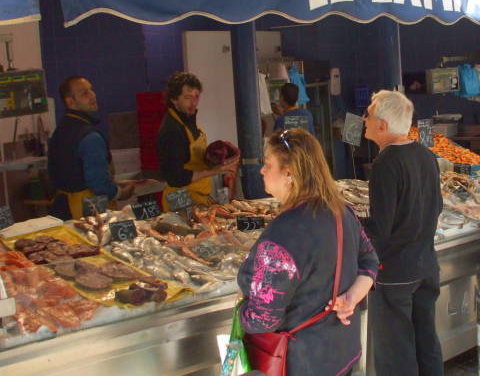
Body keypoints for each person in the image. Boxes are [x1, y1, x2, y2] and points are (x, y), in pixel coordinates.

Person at [237, 128, 378, 376]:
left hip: (304, 362)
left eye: (267, 164)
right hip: (342, 353)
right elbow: (370, 261)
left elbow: (263, 319)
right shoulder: (342, 212)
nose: (261, 170)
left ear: (289, 172)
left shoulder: (284, 233)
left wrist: (240, 312)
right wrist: (352, 297)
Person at [362, 90, 444, 376]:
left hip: (396, 273)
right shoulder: (425, 154)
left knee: (396, 353)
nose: (364, 120)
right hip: (426, 266)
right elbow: (438, 206)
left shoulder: (385, 163)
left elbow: (381, 227)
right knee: (426, 342)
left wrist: (348, 220)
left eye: (369, 115)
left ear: (382, 125)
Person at [48, 76, 134, 220]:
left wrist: (114, 182)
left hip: (63, 209)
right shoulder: (90, 137)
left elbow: (72, 172)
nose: (92, 95)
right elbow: (99, 184)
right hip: (89, 212)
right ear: (71, 102)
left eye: (91, 90)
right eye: (84, 93)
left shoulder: (60, 131)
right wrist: (121, 193)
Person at [157, 72, 238, 210]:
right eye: (187, 97)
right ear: (174, 99)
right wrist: (214, 171)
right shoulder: (171, 130)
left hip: (198, 196)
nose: (194, 103)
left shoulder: (188, 121)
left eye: (196, 96)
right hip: (180, 199)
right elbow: (176, 178)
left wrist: (219, 156)